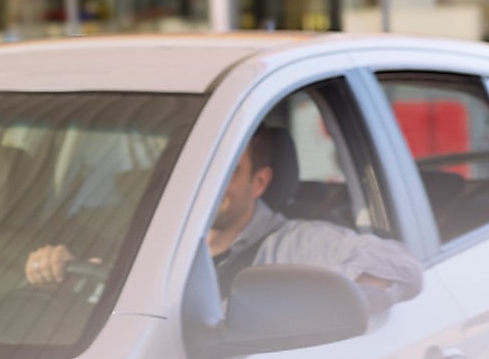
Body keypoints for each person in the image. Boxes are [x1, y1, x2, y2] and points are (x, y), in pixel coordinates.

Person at [24, 124, 422, 312]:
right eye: (203, 169)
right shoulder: (151, 247)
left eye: (229, 170)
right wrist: (59, 272)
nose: (209, 185)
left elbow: (404, 269)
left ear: (260, 181)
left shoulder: (297, 242)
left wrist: (340, 301)